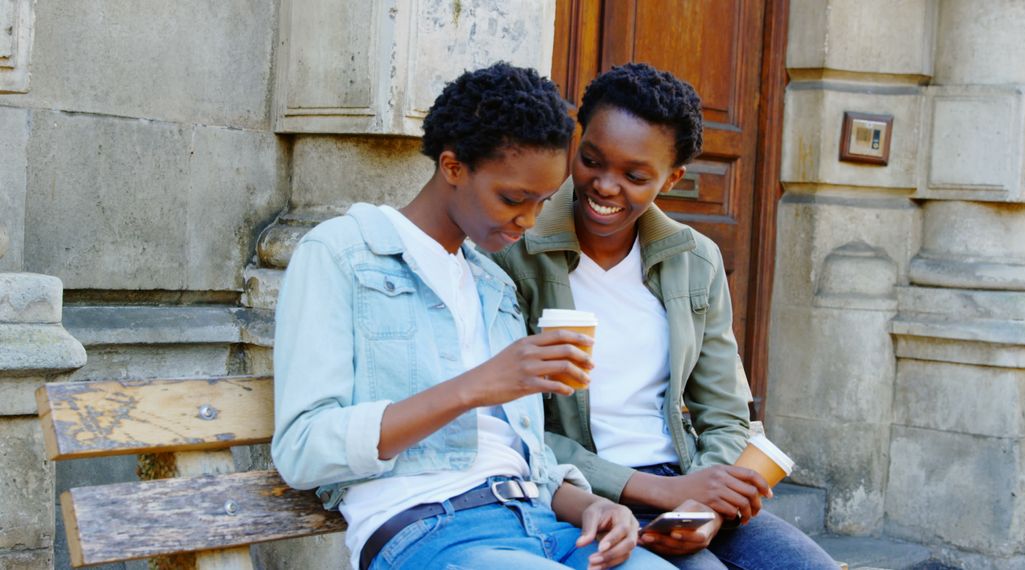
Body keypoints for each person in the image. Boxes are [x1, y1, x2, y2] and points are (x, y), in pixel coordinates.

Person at [271, 62, 675, 570]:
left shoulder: (494, 285)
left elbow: (524, 459)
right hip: (428, 532)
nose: (528, 221)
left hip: (543, 524)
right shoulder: (343, 254)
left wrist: (596, 504)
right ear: (453, 166)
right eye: (513, 198)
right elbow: (303, 449)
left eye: (543, 202)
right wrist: (478, 385)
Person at [491, 62, 838, 570]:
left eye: (634, 176)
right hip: (584, 491)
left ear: (672, 177)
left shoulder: (695, 260)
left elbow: (724, 413)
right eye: (591, 160)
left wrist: (706, 505)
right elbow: (514, 428)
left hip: (689, 481)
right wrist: (660, 491)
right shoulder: (515, 250)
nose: (605, 187)